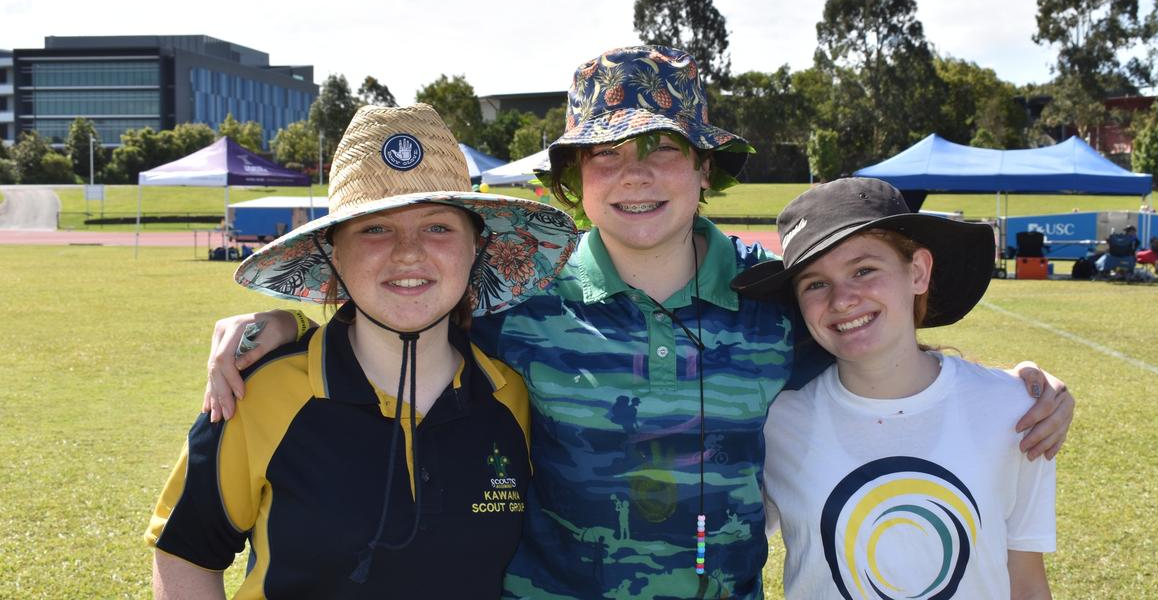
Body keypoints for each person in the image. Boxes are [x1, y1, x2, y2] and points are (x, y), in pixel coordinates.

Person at [200, 46, 1074, 599]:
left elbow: (880, 350)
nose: (636, 174)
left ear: (703, 171)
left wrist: (1018, 387)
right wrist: (281, 327)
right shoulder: (517, 310)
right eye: (606, 155)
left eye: (661, 147)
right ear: (572, 184)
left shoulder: (776, 308)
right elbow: (399, 311)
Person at [146, 104, 578, 598]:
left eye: (438, 227)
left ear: (475, 247)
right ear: (333, 253)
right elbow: (185, 553)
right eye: (375, 228)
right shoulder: (255, 391)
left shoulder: (512, 395)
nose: (409, 252)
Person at [733, 177, 1055, 599]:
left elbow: (1027, 583)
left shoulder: (1018, 410)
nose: (842, 298)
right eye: (815, 283)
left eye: (864, 270)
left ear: (918, 272)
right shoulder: (776, 421)